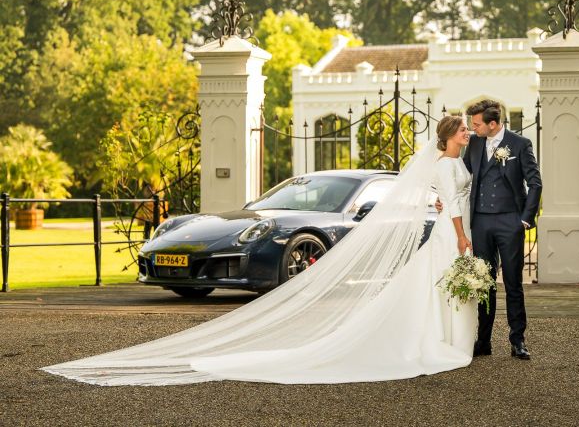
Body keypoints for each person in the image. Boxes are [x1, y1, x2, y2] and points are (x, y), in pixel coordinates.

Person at [43, 116, 478, 386]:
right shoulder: (444, 163)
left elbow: (447, 197)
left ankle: (443, 338)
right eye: (463, 128)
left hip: (444, 229)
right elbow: (451, 201)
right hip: (451, 231)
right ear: (449, 135)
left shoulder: (454, 162)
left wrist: (447, 212)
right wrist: (457, 228)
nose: (467, 132)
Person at [459, 100, 542, 360]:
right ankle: (483, 341)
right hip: (480, 222)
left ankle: (517, 341)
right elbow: (463, 177)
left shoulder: (520, 144)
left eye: (477, 125)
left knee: (513, 284)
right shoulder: (474, 144)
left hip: (510, 222)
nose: (473, 129)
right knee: (484, 283)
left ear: (492, 124)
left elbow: (535, 183)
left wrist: (525, 219)